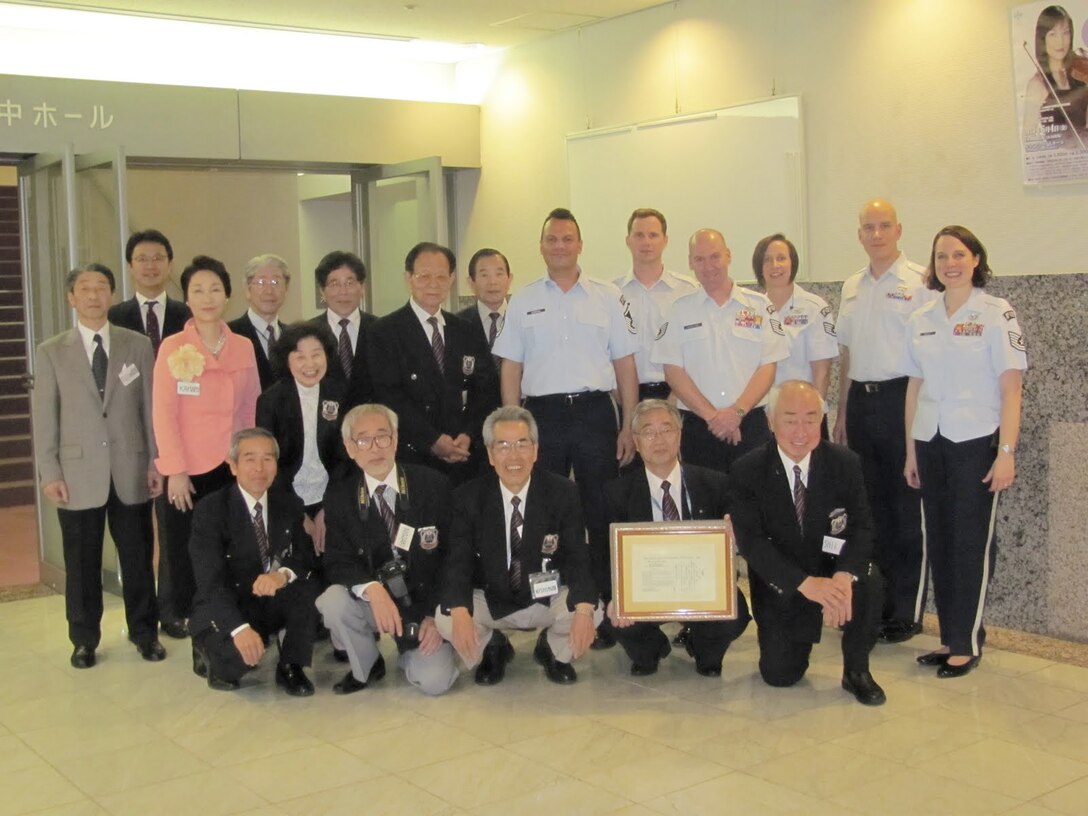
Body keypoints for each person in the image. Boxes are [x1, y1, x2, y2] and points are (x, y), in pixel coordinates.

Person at [493, 207, 638, 648]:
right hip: (542, 417)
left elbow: (625, 364)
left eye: (567, 239)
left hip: (595, 413)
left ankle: (601, 610)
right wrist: (510, 430)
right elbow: (511, 367)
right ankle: (548, 611)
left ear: (580, 245)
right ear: (541, 247)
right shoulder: (522, 299)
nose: (560, 246)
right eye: (552, 239)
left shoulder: (608, 296)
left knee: (600, 513)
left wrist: (628, 424)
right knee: (544, 515)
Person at [904, 226, 1027, 678]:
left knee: (970, 542)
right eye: (941, 256)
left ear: (976, 259)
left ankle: (968, 640)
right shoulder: (922, 316)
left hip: (976, 442)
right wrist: (910, 451)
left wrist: (1007, 452)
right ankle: (950, 636)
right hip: (930, 440)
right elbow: (915, 387)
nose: (949, 263)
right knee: (939, 540)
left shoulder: (997, 313)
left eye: (958, 254)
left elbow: (1011, 389)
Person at [33, 263, 165, 669]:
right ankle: (84, 638)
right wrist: (50, 471)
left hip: (131, 469)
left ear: (111, 294)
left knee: (138, 558)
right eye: (85, 289)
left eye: (101, 288)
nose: (93, 295)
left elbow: (150, 410)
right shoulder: (51, 350)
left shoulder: (137, 344)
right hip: (77, 474)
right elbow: (45, 415)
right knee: (81, 563)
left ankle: (145, 633)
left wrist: (156, 461)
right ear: (71, 298)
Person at [731, 381, 886, 706]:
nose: (801, 430)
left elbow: (862, 528)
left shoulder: (845, 463)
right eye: (790, 419)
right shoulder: (748, 470)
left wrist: (843, 577)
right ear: (771, 422)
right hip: (783, 582)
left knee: (868, 578)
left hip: (831, 570)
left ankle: (856, 670)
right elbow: (752, 543)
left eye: (810, 418)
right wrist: (804, 585)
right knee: (780, 676)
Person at [436, 406, 602, 684]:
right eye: (502, 446)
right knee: (447, 617)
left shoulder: (563, 492)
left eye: (522, 444)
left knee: (592, 610)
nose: (513, 456)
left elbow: (578, 556)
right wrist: (461, 611)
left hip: (544, 595)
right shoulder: (468, 497)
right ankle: (493, 646)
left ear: (535, 450)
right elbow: (458, 560)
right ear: (489, 454)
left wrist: (584, 609)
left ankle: (552, 650)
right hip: (492, 596)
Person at [833, 199, 935, 644]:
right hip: (860, 400)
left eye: (883, 226)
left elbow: (930, 352)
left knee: (905, 510)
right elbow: (847, 353)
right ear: (859, 234)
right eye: (867, 227)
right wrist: (840, 411)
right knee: (867, 510)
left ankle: (905, 610)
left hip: (902, 401)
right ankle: (872, 604)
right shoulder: (852, 285)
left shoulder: (921, 283)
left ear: (899, 230)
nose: (876, 234)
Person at [316, 404, 459, 696]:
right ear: (350, 448)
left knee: (435, 683)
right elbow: (336, 560)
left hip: (425, 604)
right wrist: (372, 589)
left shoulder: (434, 485)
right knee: (333, 601)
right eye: (363, 440)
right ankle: (367, 663)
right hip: (375, 603)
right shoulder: (340, 497)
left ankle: (412, 651)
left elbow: (455, 557)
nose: (375, 448)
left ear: (395, 439)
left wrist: (439, 615)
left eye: (382, 437)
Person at [153, 255, 261, 633]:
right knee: (182, 550)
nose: (207, 297)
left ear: (227, 295)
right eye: (197, 290)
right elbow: (163, 413)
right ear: (187, 298)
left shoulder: (243, 346)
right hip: (189, 468)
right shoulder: (173, 347)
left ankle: (225, 617)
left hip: (230, 466)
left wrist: (249, 462)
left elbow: (250, 408)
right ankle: (183, 616)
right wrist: (175, 471)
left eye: (215, 288)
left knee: (227, 547)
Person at [604, 400, 750, 676]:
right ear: (635, 441)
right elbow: (606, 555)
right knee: (616, 617)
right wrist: (615, 597)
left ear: (680, 435)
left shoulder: (714, 483)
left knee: (735, 611)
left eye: (667, 430)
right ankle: (654, 647)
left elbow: (740, 536)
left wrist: (735, 533)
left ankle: (702, 646)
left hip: (701, 585)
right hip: (645, 588)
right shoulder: (617, 493)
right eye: (648, 432)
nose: (658, 439)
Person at [188, 428, 320, 695]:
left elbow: (304, 556)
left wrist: (281, 575)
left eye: (268, 459)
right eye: (250, 459)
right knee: (234, 669)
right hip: (226, 603)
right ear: (233, 466)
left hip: (267, 598)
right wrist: (238, 629)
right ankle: (205, 648)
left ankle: (291, 665)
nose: (259, 468)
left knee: (306, 588)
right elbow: (209, 581)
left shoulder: (288, 503)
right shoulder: (211, 510)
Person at [108, 228, 191, 640]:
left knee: (175, 526)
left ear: (169, 263)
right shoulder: (114, 318)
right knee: (135, 534)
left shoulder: (187, 314)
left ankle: (172, 609)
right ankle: (139, 620)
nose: (151, 265)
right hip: (130, 438)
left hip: (180, 437)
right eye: (142, 258)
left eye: (158, 257)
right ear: (130, 266)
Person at [652, 228, 788, 473]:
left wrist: (736, 413)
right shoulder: (678, 310)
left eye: (715, 256)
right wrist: (713, 417)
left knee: (755, 504)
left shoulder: (759, 306)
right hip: (698, 426)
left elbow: (768, 366)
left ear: (728, 255)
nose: (708, 266)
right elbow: (673, 370)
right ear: (690, 263)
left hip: (750, 422)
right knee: (705, 505)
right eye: (699, 259)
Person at [369, 242, 498, 483]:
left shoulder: (466, 329)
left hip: (465, 454)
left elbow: (485, 390)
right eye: (424, 276)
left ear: (451, 280)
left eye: (441, 277)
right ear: (408, 278)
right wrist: (432, 440)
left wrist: (469, 434)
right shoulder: (385, 331)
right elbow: (389, 396)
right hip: (414, 455)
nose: (433, 284)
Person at [256, 321, 349, 554]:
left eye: (316, 355)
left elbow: (345, 458)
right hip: (286, 497)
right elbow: (270, 463)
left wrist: (327, 507)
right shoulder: (271, 401)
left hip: (332, 496)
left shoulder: (340, 393)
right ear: (287, 360)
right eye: (300, 357)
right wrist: (298, 514)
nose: (310, 364)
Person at [612, 208, 697, 401]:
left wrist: (678, 397)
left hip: (679, 394)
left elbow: (697, 351)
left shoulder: (688, 290)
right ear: (628, 241)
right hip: (626, 395)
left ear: (665, 240)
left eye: (653, 235)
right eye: (639, 235)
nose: (646, 242)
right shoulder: (612, 293)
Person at [752, 233, 838, 400]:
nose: (774, 265)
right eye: (767, 260)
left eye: (781, 258)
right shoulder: (752, 310)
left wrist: (812, 416)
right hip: (762, 414)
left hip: (804, 413)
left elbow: (822, 372)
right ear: (759, 267)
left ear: (793, 263)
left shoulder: (814, 308)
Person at [310, 250, 377, 411]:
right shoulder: (309, 333)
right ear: (322, 291)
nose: (343, 291)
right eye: (334, 284)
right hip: (325, 427)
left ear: (363, 288)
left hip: (370, 426)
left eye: (350, 283)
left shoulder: (381, 330)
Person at [1022, 5, 1088, 149]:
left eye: (1066, 33)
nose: (1061, 41)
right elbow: (1028, 137)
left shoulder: (1080, 72)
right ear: (1042, 39)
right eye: (1053, 34)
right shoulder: (1037, 84)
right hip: (1059, 161)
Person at [228, 253, 290, 390]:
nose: (269, 291)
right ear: (247, 289)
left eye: (275, 282)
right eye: (261, 282)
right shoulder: (229, 334)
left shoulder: (293, 337)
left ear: (286, 289)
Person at [458, 247, 512, 358]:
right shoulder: (458, 324)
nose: (492, 282)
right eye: (484, 275)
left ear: (509, 279)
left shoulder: (523, 318)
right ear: (471, 282)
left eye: (499, 274)